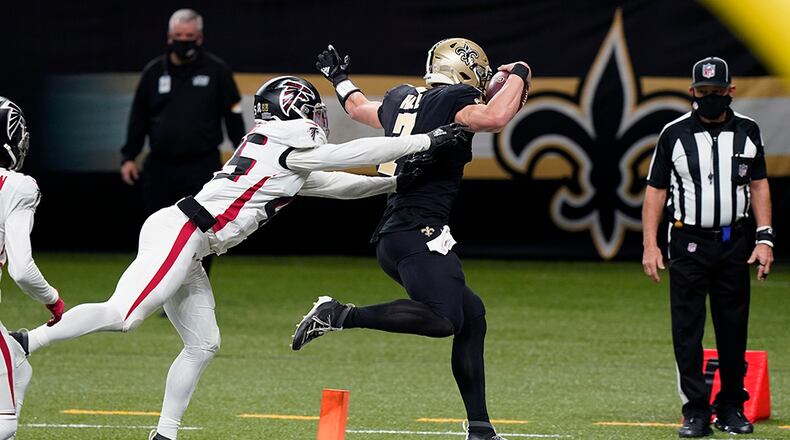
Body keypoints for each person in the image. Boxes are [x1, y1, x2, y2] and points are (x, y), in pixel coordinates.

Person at [11, 76, 465, 440]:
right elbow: (350, 153)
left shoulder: (281, 154)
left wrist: (394, 184)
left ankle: (165, 434)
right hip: (184, 231)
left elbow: (339, 183)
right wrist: (427, 141)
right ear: (295, 107)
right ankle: (23, 343)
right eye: (312, 110)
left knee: (203, 343)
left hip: (192, 240)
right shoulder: (292, 136)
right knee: (124, 315)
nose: (317, 120)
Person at [291, 39, 530, 440]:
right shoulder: (458, 97)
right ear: (465, 69)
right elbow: (494, 118)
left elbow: (357, 108)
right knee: (443, 319)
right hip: (418, 232)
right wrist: (521, 71)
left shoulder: (403, 98)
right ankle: (338, 314)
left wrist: (339, 78)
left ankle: (481, 429)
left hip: (399, 234)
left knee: (471, 317)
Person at [642, 56, 774, 438]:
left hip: (734, 242)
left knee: (733, 328)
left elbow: (759, 184)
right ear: (692, 91)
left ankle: (732, 406)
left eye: (717, 92)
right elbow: (656, 190)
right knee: (687, 330)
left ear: (731, 92)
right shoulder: (674, 134)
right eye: (704, 92)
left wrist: (764, 237)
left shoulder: (748, 131)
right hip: (687, 242)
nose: (711, 98)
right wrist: (651, 245)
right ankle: (695, 410)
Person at [120, 8, 246, 275]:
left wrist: (242, 154)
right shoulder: (154, 72)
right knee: (158, 229)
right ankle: (156, 290)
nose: (183, 40)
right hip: (160, 166)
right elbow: (138, 117)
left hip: (202, 165)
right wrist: (129, 156)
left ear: (199, 38)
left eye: (189, 36)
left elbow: (233, 116)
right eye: (179, 35)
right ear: (169, 36)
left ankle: (193, 291)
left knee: (200, 230)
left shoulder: (217, 71)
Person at [0, 97, 65, 440]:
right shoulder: (16, 186)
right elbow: (22, 269)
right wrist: (53, 300)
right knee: (4, 423)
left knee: (18, 364)